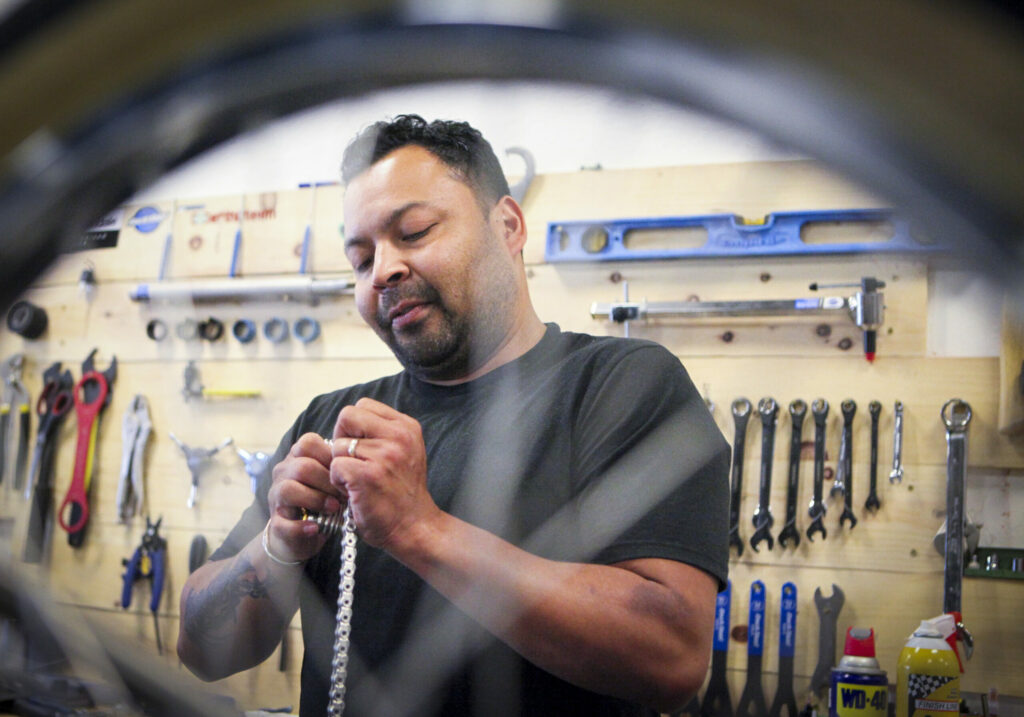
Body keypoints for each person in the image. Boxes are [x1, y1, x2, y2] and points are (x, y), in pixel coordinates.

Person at [177, 114, 730, 717]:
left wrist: (422, 530)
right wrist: (276, 548)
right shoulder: (333, 421)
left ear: (509, 226)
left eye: (413, 232)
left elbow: (672, 660)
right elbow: (201, 653)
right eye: (360, 260)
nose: (382, 271)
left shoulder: (622, 385)